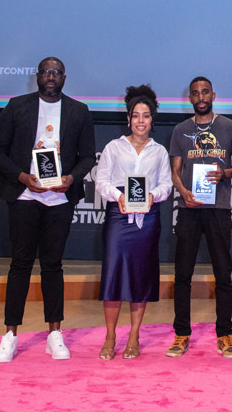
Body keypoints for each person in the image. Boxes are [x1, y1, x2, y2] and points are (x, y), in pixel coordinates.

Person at [0, 56, 96, 363]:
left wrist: (71, 178)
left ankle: (54, 334)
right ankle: (10, 335)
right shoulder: (16, 106)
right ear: (37, 76)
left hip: (59, 200)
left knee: (53, 265)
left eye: (57, 72)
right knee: (20, 264)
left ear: (64, 78)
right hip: (24, 195)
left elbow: (88, 156)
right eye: (46, 72)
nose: (51, 76)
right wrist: (23, 178)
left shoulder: (79, 111)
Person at [167, 76, 232, 358]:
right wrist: (183, 191)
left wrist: (223, 173)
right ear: (190, 98)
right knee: (182, 275)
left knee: (223, 274)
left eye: (205, 92)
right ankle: (181, 334)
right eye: (195, 93)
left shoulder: (229, 127)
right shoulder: (180, 130)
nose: (200, 97)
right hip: (189, 209)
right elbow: (175, 171)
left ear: (214, 95)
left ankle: (225, 335)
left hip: (219, 208)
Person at [95, 85, 172, 360]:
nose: (141, 120)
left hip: (148, 219)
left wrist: (154, 195)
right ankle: (110, 335)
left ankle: (134, 335)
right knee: (114, 276)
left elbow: (167, 184)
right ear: (128, 118)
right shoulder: (113, 147)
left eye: (146, 115)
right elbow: (101, 180)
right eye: (136, 115)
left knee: (140, 277)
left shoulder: (160, 151)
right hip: (119, 216)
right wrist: (118, 196)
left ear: (152, 120)